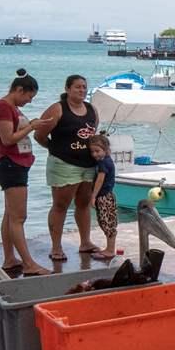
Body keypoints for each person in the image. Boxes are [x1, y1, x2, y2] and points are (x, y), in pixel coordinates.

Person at [30, 74, 102, 261]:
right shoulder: (58, 109)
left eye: (84, 87)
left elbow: (93, 135)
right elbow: (39, 135)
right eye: (77, 87)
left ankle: (85, 242)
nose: (82, 90)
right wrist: (54, 149)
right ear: (67, 89)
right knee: (60, 205)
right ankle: (56, 247)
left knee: (84, 204)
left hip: (87, 165)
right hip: (63, 165)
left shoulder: (91, 109)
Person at [0, 68, 50, 276]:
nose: (29, 101)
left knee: (10, 215)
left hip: (15, 164)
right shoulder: (3, 107)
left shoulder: (11, 107)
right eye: (29, 96)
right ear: (19, 89)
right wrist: (31, 127)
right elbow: (8, 138)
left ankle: (9, 258)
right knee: (18, 217)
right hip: (10, 164)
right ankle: (29, 263)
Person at [87, 133, 119, 261]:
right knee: (108, 222)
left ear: (106, 150)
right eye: (92, 152)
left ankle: (110, 250)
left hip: (104, 196)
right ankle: (109, 248)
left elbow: (100, 180)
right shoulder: (107, 160)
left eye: (98, 151)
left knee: (107, 223)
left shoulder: (103, 164)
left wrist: (93, 196)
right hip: (109, 195)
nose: (95, 154)